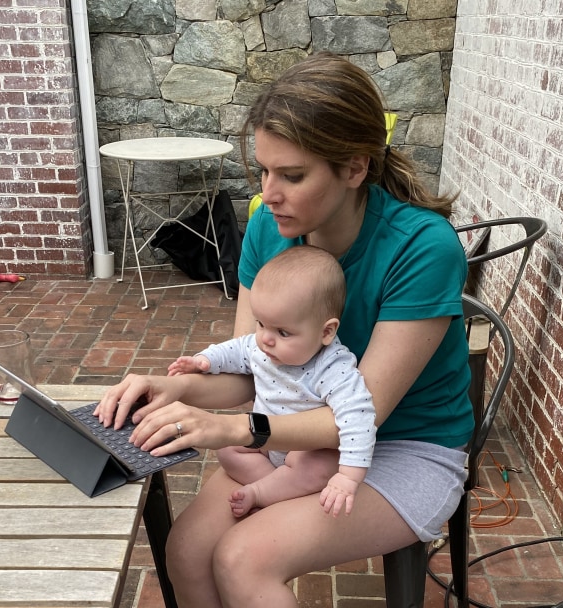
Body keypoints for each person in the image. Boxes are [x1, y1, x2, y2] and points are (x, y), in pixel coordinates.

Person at [94, 51, 473, 608]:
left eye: (292, 176)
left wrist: (231, 431)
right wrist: (174, 388)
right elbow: (258, 369)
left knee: (242, 559)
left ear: (354, 168)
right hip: (292, 436)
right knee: (186, 552)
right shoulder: (269, 232)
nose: (269, 193)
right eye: (264, 171)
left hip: (404, 447)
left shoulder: (422, 248)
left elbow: (358, 416)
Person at [167, 245, 376, 518]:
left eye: (283, 332)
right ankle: (276, 486)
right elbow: (237, 349)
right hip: (265, 443)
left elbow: (358, 418)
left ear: (326, 331)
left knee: (320, 466)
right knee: (227, 450)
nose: (265, 338)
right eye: (260, 323)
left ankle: (261, 493)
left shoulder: (333, 367)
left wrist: (348, 477)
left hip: (305, 450)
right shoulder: (264, 346)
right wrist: (205, 360)